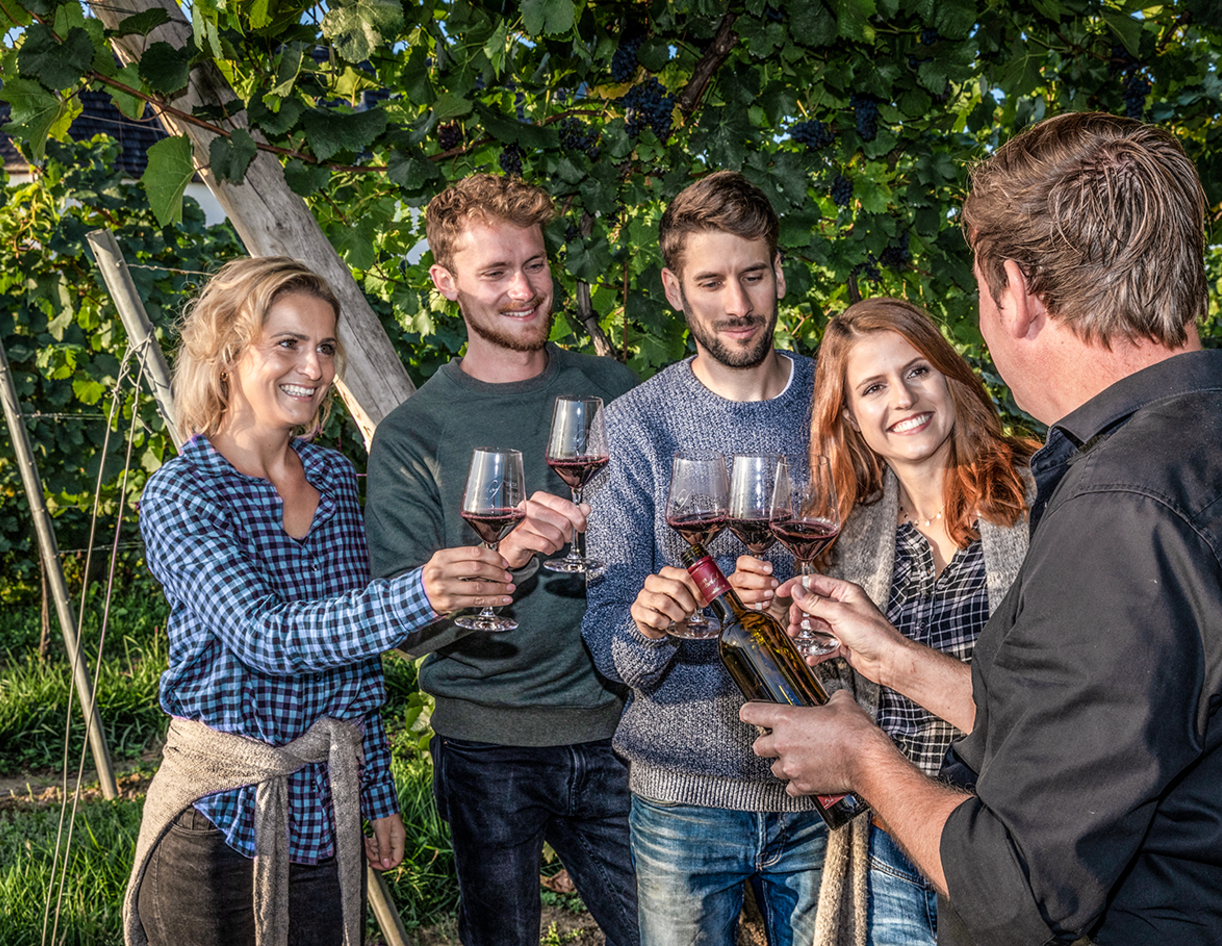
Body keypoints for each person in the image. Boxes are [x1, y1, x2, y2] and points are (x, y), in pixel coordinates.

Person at [741, 111, 1222, 944]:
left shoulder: (1125, 511)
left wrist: (861, 756)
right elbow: (1097, 726)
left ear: (1016, 292)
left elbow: (1019, 890)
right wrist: (895, 660)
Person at [126, 256, 501, 946]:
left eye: (326, 346)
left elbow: (350, 659)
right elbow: (265, 637)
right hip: (220, 816)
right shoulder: (184, 493)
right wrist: (418, 593)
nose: (315, 365)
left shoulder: (330, 473)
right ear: (229, 352)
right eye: (289, 343)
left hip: (323, 810)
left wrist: (376, 793)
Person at [363, 174, 640, 946]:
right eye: (495, 272)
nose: (524, 290)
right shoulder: (413, 435)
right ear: (445, 282)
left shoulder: (614, 390)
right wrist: (508, 558)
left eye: (537, 265)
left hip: (617, 733)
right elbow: (409, 629)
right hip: (487, 749)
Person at [731, 297, 1036, 946]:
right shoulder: (850, 535)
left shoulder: (1038, 497)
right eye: (873, 387)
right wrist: (780, 629)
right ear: (849, 419)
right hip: (894, 844)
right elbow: (837, 695)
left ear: (950, 375)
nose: (903, 398)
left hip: (1014, 837)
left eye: (917, 370)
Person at [582, 170, 825, 946]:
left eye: (753, 276)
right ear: (673, 288)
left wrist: (802, 600)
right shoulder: (635, 424)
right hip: (684, 798)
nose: (739, 304)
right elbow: (608, 639)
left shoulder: (842, 406)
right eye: (712, 281)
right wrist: (647, 627)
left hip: (825, 779)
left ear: (779, 272)